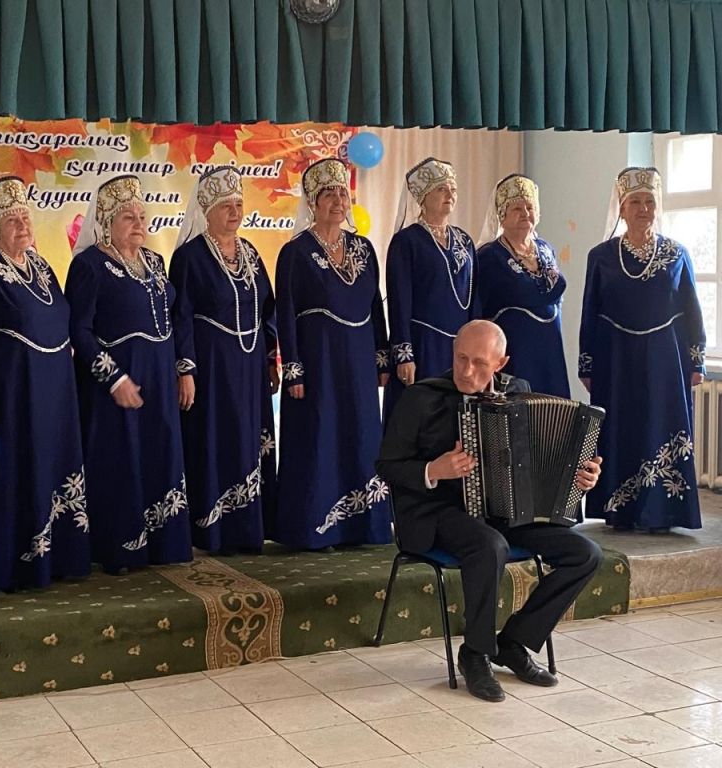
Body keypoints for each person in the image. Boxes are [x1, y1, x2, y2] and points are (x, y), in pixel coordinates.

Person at [377, 320, 604, 702]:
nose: (467, 371)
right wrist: (435, 469)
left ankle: (514, 642)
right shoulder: (420, 398)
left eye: (480, 363)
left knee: (586, 554)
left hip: (504, 511)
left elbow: (541, 462)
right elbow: (387, 466)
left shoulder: (518, 393)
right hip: (436, 512)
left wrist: (580, 478)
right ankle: (475, 653)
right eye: (461, 358)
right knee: (489, 545)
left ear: (501, 363)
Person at [0, 176, 90, 591]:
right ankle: (12, 566)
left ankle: (57, 557)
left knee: (51, 465)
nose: (23, 225)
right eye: (12, 219)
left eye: (25, 217)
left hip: (53, 389)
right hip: (10, 391)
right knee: (14, 470)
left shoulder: (40, 265)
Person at [65, 175, 192, 573]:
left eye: (142, 216)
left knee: (159, 451)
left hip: (158, 378)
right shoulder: (89, 265)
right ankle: (120, 549)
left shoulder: (154, 262)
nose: (139, 224)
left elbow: (176, 319)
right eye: (128, 217)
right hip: (117, 384)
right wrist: (113, 378)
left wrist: (183, 369)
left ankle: (164, 544)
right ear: (106, 221)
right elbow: (79, 330)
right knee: (120, 456)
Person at [579, 167, 706, 532]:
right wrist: (587, 364)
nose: (643, 209)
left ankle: (663, 513)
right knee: (621, 427)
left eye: (650, 201)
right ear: (621, 209)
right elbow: (590, 310)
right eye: (635, 202)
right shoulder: (601, 256)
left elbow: (692, 310)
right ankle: (621, 511)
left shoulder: (677, 253)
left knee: (659, 424)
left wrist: (696, 360)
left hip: (666, 359)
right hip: (616, 359)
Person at [275, 158, 391, 549]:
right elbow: (285, 313)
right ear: (312, 202)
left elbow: (375, 305)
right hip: (318, 359)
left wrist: (382, 356)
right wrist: (293, 368)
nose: (339, 201)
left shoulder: (364, 248)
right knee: (321, 434)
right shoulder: (296, 252)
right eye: (329, 194)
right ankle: (315, 526)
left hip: (358, 360)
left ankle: (364, 525)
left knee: (360, 433)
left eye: (343, 193)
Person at [170, 166, 279, 554]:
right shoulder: (189, 257)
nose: (235, 212)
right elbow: (180, 316)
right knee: (215, 436)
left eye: (238, 204)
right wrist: (186, 368)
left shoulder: (250, 253)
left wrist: (271, 358)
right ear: (207, 210)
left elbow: (268, 309)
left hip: (249, 366)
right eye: (225, 206)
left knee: (249, 437)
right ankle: (212, 530)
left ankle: (248, 528)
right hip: (212, 365)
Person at [384, 157, 480, 425]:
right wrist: (404, 354)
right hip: (424, 344)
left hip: (461, 348)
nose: (450, 194)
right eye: (441, 189)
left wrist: (477, 346)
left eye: (453, 189)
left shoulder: (464, 240)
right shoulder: (407, 241)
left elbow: (474, 296)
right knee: (423, 417)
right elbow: (399, 301)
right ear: (423, 197)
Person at [476, 174, 570, 397]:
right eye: (517, 208)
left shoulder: (545, 249)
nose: (525, 213)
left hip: (551, 348)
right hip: (516, 351)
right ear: (502, 215)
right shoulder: (489, 256)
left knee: (553, 409)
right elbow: (479, 312)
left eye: (530, 207)